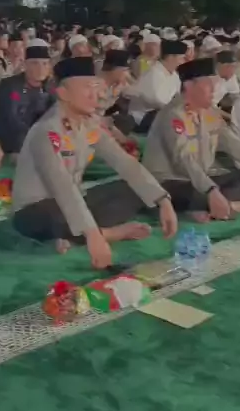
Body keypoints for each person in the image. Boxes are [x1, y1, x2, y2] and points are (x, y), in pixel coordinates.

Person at [12, 57, 177, 269]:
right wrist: (93, 234)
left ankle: (75, 234)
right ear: (63, 94)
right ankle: (106, 233)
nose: (96, 95)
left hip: (74, 202)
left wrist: (162, 200)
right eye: (86, 88)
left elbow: (124, 162)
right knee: (49, 216)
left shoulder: (89, 124)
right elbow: (62, 186)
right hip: (36, 209)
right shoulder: (48, 130)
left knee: (126, 190)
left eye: (96, 86)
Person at [142, 58, 240, 221]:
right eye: (208, 84)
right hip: (172, 182)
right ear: (189, 86)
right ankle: (237, 206)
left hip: (202, 179)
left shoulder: (210, 113)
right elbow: (184, 160)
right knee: (192, 195)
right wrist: (211, 190)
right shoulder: (173, 115)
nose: (214, 89)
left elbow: (235, 146)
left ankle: (219, 206)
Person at [0, 40, 55, 156]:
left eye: (45, 64)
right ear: (25, 65)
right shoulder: (9, 87)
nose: (40, 68)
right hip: (11, 145)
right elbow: (10, 122)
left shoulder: (51, 88)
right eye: (35, 63)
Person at [125, 39, 187, 133]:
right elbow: (157, 101)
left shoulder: (174, 74)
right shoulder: (154, 73)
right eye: (181, 58)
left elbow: (176, 97)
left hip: (161, 114)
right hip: (144, 117)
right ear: (170, 57)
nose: (183, 62)